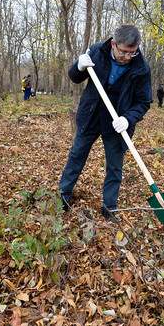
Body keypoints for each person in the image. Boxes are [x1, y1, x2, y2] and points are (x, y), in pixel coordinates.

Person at [59, 24, 152, 222]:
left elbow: (144, 102)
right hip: (91, 115)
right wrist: (79, 66)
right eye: (124, 52)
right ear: (113, 44)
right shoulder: (96, 52)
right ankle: (62, 197)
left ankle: (109, 207)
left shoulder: (141, 68)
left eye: (132, 53)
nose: (128, 57)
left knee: (115, 167)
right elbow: (74, 77)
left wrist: (128, 118)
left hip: (118, 123)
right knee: (76, 156)